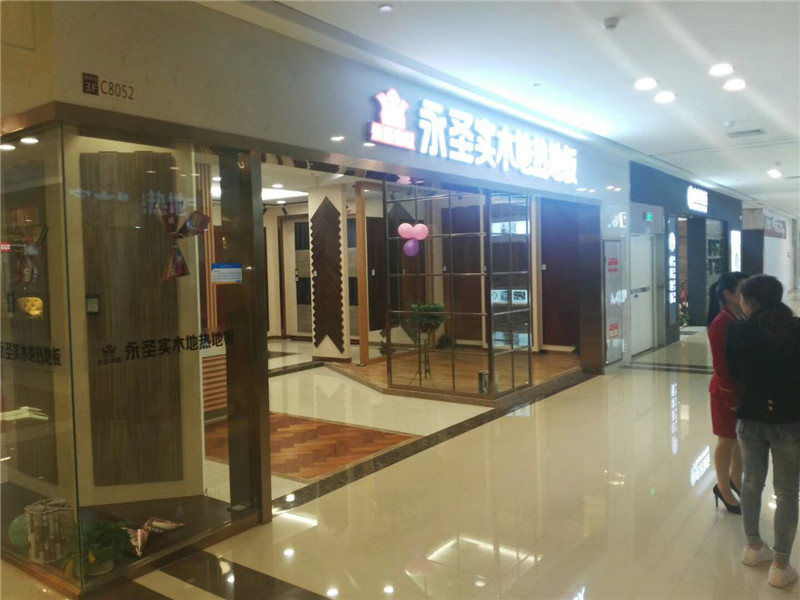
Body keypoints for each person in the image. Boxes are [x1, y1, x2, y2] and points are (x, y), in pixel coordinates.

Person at [726, 275, 800, 588]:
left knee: (751, 482)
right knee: (787, 491)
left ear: (751, 302)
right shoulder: (796, 328)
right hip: (789, 420)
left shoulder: (737, 331)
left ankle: (753, 547)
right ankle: (781, 566)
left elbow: (733, 372)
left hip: (750, 417)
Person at [707, 272, 748, 514]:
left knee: (740, 439)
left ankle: (735, 479)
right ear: (728, 294)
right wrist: (731, 398)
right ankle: (723, 487)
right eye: (743, 288)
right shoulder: (721, 324)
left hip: (742, 389)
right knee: (727, 440)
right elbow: (721, 367)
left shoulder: (742, 315)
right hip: (725, 392)